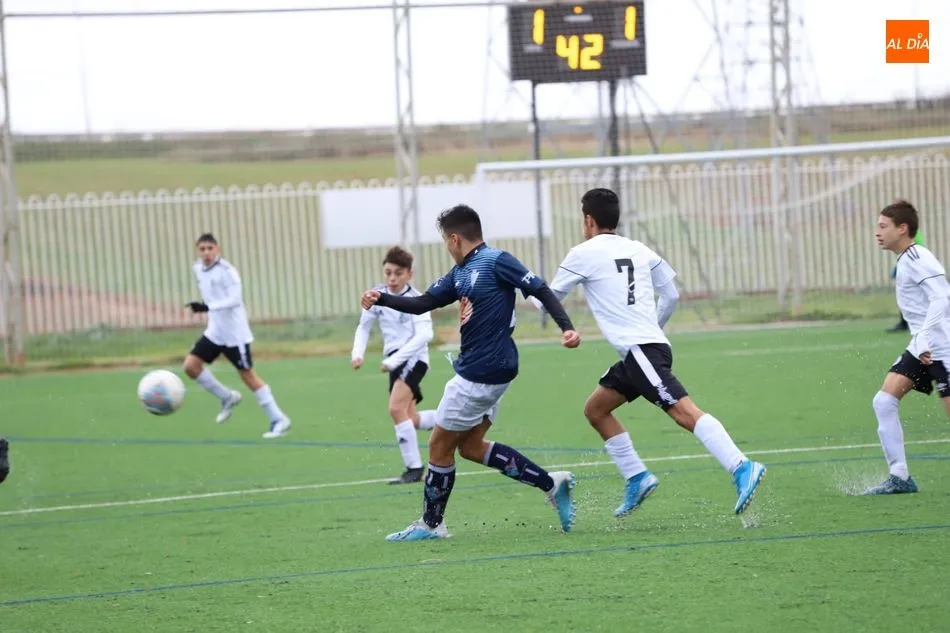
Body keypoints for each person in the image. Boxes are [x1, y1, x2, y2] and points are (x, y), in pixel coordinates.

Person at [530, 188, 767, 517]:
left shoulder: (583, 253)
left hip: (641, 351)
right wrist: (651, 330)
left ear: (588, 220)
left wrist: (525, 286)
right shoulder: (638, 249)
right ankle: (637, 477)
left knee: (684, 413)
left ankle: (741, 466)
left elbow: (542, 301)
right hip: (644, 350)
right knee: (596, 409)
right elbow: (670, 295)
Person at [360, 204, 581, 542]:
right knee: (472, 447)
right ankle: (552, 483)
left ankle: (431, 525)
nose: (446, 247)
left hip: (481, 371)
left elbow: (538, 287)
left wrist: (566, 327)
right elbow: (424, 303)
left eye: (445, 241)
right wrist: (382, 300)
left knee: (438, 446)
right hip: (490, 368)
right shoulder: (459, 273)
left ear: (454, 238)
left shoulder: (496, 260)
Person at [867, 200, 950, 494]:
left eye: (883, 226)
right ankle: (900, 477)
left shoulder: (917, 258)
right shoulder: (905, 259)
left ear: (903, 229)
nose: (877, 232)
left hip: (942, 348)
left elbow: (942, 297)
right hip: (924, 347)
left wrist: (926, 337)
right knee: (884, 402)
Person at [183, 233, 292, 439]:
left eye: (210, 248)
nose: (206, 253)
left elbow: (235, 300)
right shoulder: (197, 268)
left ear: (218, 249)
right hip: (215, 332)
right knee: (191, 366)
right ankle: (227, 397)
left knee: (248, 376)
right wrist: (207, 308)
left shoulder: (228, 272)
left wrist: (207, 307)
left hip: (235, 334)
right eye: (202, 249)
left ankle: (279, 419)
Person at [352, 246, 440, 485]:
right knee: (409, 418)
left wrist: (393, 361)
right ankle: (456, 419)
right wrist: (357, 353)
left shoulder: (417, 299)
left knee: (395, 409)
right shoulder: (376, 296)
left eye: (398, 273)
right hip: (394, 361)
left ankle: (414, 469)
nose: (392, 278)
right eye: (388, 272)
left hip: (414, 360)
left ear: (409, 275)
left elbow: (424, 336)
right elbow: (364, 327)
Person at [887, 231, 926, 333]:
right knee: (906, 295)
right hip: (910, 264)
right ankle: (905, 322)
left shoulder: (911, 231)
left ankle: (905, 323)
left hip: (914, 265)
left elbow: (917, 248)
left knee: (908, 294)